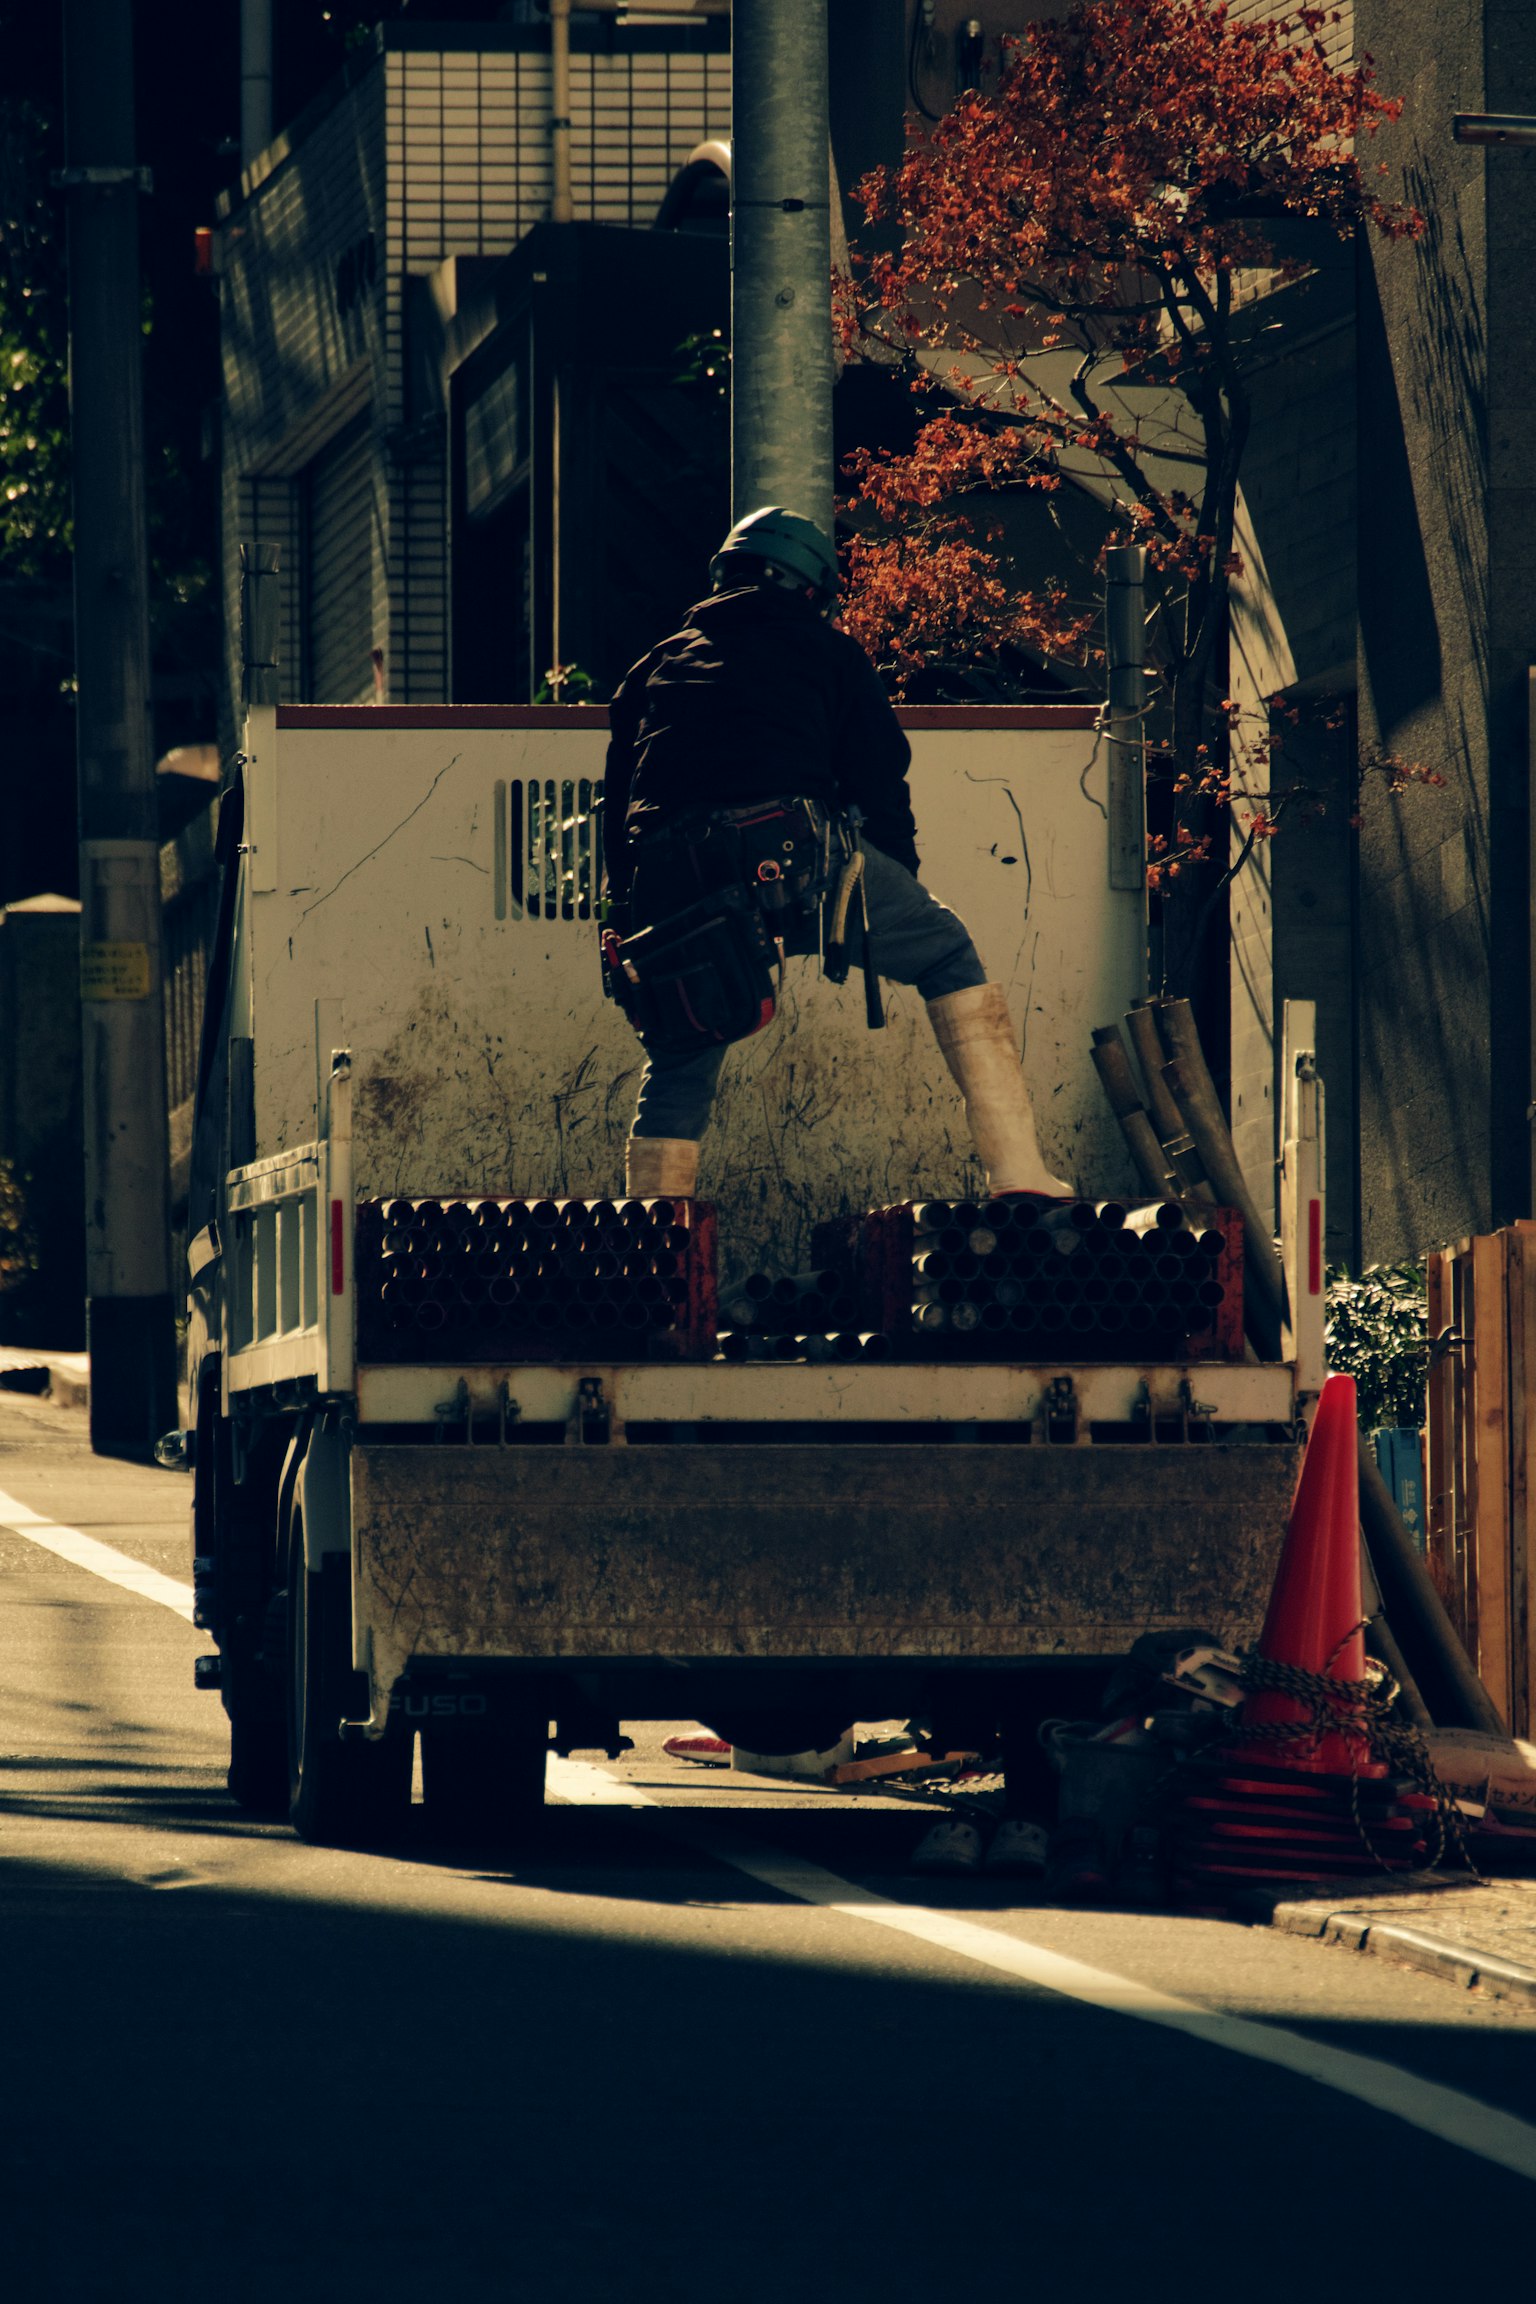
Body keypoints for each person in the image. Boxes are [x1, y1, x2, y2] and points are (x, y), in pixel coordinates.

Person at [601, 505, 1070, 1204]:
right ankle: (1018, 1173)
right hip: (795, 855)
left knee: (683, 1041)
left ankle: (656, 1229)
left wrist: (623, 911)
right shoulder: (832, 653)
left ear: (723, 575)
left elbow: (617, 804)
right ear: (811, 588)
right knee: (945, 952)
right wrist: (898, 881)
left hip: (675, 874)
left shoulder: (653, 667)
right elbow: (878, 779)